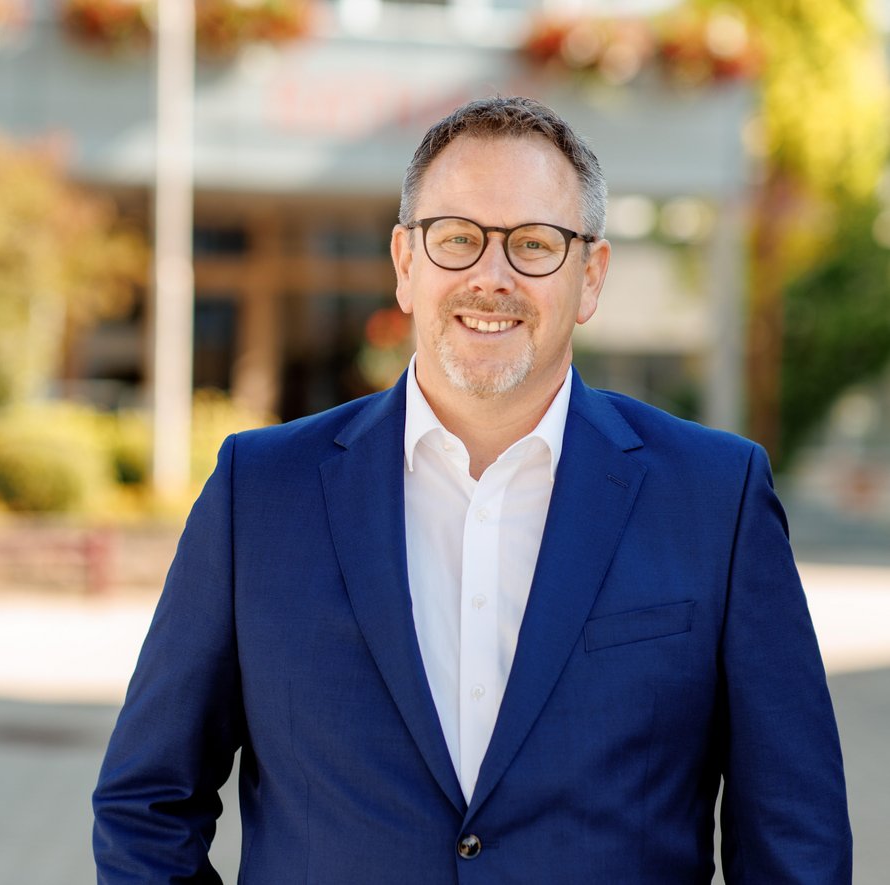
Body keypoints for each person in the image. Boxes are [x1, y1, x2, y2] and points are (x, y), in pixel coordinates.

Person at [92, 96, 851, 883]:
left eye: (534, 243)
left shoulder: (715, 499)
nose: (492, 277)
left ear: (589, 276)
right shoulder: (260, 493)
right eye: (457, 239)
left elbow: (796, 837)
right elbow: (147, 803)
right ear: (406, 264)